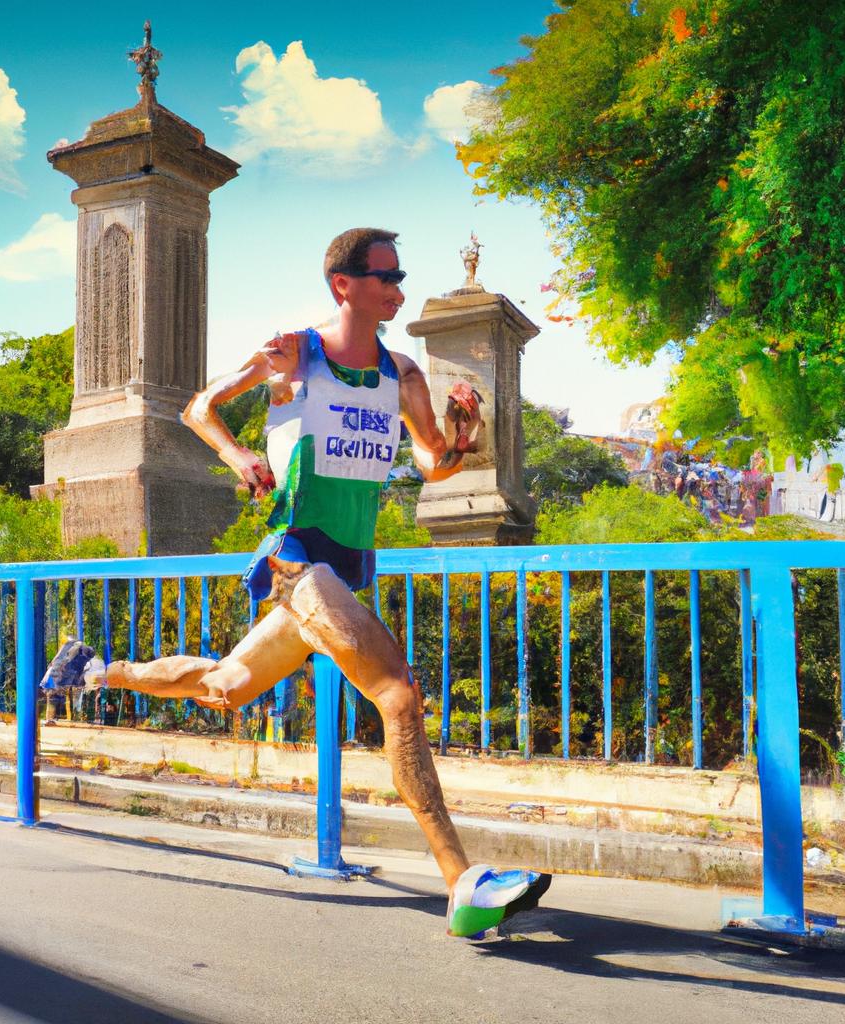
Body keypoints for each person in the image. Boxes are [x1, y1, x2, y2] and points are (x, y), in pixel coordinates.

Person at [46, 228, 549, 938]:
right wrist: (237, 452)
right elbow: (199, 407)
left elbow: (434, 464)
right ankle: (462, 883)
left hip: (343, 568)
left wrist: (462, 435)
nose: (399, 290)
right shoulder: (294, 352)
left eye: (400, 277)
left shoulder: (402, 374)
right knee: (398, 695)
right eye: (386, 278)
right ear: (344, 285)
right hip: (295, 559)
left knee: (225, 686)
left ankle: (95, 671)